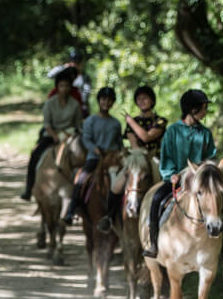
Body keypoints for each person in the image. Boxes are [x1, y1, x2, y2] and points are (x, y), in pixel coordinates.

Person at [143, 89, 223, 258]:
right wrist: (171, 174)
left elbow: (210, 158)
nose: (205, 112)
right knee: (156, 200)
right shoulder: (172, 131)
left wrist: (208, 171)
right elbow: (166, 157)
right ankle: (153, 243)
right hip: (175, 179)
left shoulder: (205, 133)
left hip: (201, 181)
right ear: (192, 109)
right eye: (203, 108)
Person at [98, 85, 168, 232]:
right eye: (139, 99)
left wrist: (130, 122)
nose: (142, 101)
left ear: (152, 101)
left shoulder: (160, 121)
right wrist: (132, 123)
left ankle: (164, 217)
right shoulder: (132, 123)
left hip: (154, 158)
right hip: (137, 158)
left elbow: (147, 137)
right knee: (116, 186)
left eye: (145, 98)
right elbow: (134, 145)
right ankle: (110, 217)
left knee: (161, 185)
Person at [20, 67, 82, 201]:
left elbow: (78, 125)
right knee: (35, 155)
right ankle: (29, 188)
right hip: (51, 135)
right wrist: (54, 136)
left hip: (70, 137)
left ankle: (80, 195)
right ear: (57, 87)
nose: (64, 89)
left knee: (82, 157)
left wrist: (70, 136)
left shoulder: (75, 105)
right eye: (61, 86)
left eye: (66, 86)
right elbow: (47, 124)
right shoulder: (50, 103)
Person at [64, 87, 122, 224]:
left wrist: (119, 153)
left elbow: (119, 142)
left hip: (111, 159)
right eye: (103, 99)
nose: (106, 103)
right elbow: (86, 139)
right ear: (98, 101)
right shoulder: (90, 121)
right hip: (94, 158)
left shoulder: (116, 123)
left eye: (109, 100)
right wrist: (95, 149)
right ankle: (72, 210)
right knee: (80, 180)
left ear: (112, 103)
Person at [48, 47, 92, 116]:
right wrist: (64, 67)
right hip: (61, 104)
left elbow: (86, 93)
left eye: (77, 62)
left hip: (78, 104)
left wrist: (80, 104)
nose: (75, 64)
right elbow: (50, 75)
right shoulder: (64, 73)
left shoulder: (85, 77)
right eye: (73, 62)